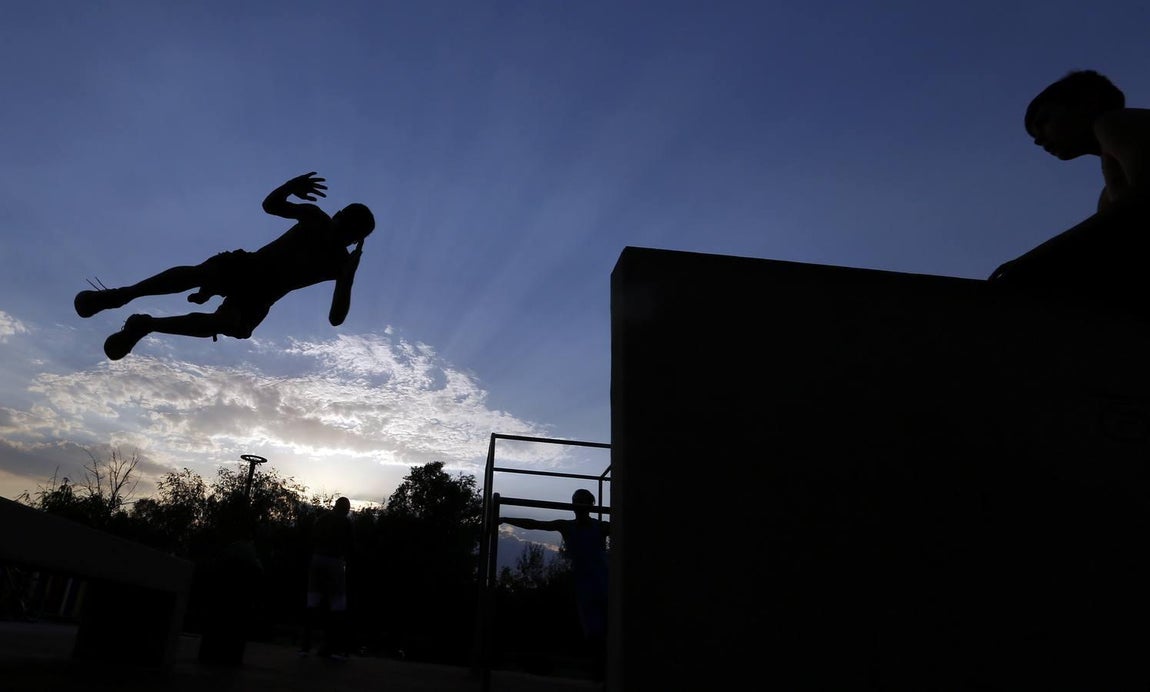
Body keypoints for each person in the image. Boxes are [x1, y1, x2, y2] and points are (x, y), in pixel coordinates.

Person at [74, 172, 375, 360]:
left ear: (354, 239)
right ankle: (121, 295)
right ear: (337, 216)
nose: (339, 228)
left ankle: (146, 325)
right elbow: (270, 206)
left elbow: (336, 319)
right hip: (248, 267)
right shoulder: (316, 219)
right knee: (200, 275)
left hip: (260, 297)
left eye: (349, 230)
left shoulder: (340, 263)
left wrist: (347, 279)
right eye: (342, 219)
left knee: (228, 324)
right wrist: (289, 186)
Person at [988, 70, 1150, 307]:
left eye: (1044, 121)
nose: (1038, 140)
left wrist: (1035, 259)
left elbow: (1142, 200)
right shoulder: (1109, 193)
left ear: (1088, 102)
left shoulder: (1114, 122)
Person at [501, 489, 610, 680]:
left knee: (608, 625)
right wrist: (505, 518)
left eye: (582, 501)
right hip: (584, 583)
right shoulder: (567, 526)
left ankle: (605, 669)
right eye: (576, 501)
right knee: (593, 630)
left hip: (605, 580)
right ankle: (601, 670)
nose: (578, 505)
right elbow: (535, 524)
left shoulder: (600, 527)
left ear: (591, 505)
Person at [300, 496, 354, 659]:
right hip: (335, 561)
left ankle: (305, 646)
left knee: (312, 603)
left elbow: (311, 539)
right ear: (346, 510)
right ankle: (334, 648)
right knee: (337, 604)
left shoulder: (321, 520)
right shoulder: (345, 523)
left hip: (317, 559)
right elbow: (349, 546)